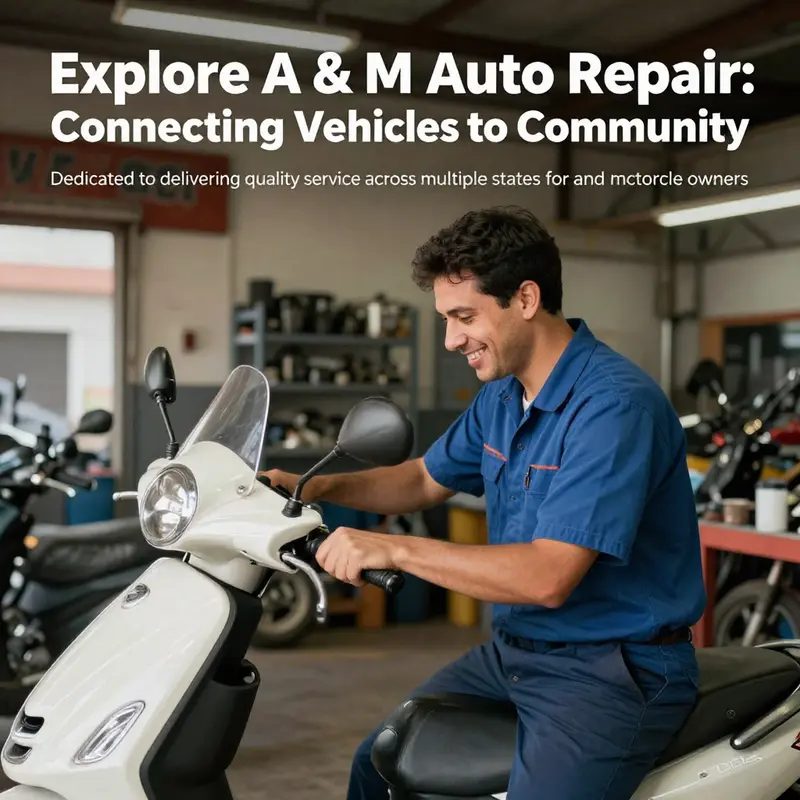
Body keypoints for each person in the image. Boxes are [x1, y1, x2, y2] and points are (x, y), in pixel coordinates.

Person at [263, 206, 706, 800]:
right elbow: (422, 480)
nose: (451, 340)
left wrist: (394, 548)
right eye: (446, 319)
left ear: (525, 298)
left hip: (612, 671)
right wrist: (309, 486)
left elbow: (549, 576)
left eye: (464, 317)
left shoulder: (613, 407)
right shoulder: (503, 397)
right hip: (519, 654)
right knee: (381, 764)